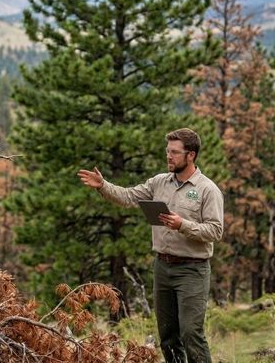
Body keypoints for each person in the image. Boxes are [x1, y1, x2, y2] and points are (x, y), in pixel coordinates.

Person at [78, 128, 223, 363]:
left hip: (192, 270)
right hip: (162, 267)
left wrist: (182, 224)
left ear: (191, 155)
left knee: (190, 333)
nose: (169, 156)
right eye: (167, 151)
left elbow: (216, 231)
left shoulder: (208, 190)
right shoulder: (158, 182)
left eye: (175, 152)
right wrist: (103, 185)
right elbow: (127, 197)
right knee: (167, 335)